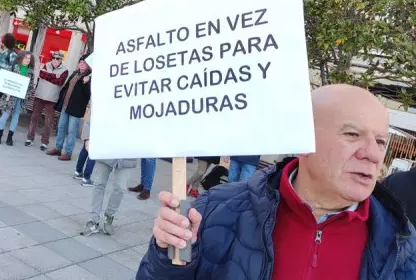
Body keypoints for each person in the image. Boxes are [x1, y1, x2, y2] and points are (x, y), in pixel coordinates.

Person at [137, 84, 416, 279]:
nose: (372, 154)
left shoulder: (402, 241)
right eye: (353, 135)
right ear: (303, 139)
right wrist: (168, 255)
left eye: (380, 141)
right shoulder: (215, 209)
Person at [80, 121, 136, 236]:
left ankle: (109, 216)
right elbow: (94, 117)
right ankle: (93, 220)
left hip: (128, 151)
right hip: (107, 147)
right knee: (99, 184)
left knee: (120, 188)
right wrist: (87, 138)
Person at [46, 55, 92, 161]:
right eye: (80, 62)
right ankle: (58, 148)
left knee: (71, 131)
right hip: (66, 106)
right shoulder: (75, 74)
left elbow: (88, 94)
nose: (81, 64)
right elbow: (66, 88)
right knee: (61, 127)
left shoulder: (89, 77)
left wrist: (86, 83)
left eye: (84, 62)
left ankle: (68, 152)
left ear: (88, 65)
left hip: (76, 109)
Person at [25, 51, 69, 150]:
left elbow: (59, 82)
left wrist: (47, 75)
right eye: (53, 58)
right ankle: (30, 138)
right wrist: (54, 76)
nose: (55, 60)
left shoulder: (65, 71)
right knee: (34, 118)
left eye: (58, 58)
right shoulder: (45, 65)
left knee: (48, 121)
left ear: (61, 60)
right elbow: (41, 75)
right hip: (39, 95)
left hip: (52, 99)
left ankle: (44, 142)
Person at [0, 51, 35, 146]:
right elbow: (5, 80)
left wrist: (27, 95)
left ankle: (9, 137)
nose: (27, 60)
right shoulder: (13, 67)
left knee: (16, 116)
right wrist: (5, 90)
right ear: (21, 58)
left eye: (29, 58)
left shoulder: (30, 72)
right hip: (10, 96)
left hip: (21, 98)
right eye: (26, 58)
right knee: (5, 114)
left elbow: (30, 87)